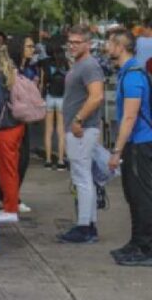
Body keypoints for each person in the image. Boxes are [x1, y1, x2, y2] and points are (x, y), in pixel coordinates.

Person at [106, 30, 152, 266]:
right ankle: (137, 242)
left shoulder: (133, 75)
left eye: (109, 42)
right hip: (135, 144)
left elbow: (130, 117)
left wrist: (116, 151)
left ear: (119, 46)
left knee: (143, 196)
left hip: (140, 145)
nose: (106, 47)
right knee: (133, 195)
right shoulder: (128, 72)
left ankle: (146, 248)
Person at [58, 24, 105, 244]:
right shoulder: (80, 65)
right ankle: (88, 224)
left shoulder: (88, 66)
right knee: (83, 176)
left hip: (81, 129)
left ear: (88, 43)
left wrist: (78, 120)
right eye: (70, 42)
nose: (72, 45)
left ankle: (84, 226)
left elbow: (96, 97)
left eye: (77, 42)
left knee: (82, 177)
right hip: (78, 129)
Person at [0, 44, 24, 223]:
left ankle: (10, 208)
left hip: (4, 128)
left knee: (6, 170)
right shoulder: (14, 73)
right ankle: (12, 203)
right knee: (12, 169)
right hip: (18, 124)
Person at [7, 35, 35, 213]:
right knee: (15, 161)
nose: (32, 50)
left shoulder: (28, 69)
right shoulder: (11, 70)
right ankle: (11, 198)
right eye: (29, 46)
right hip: (12, 120)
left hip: (24, 119)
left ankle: (12, 196)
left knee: (23, 159)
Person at [41, 37, 70, 170]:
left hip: (49, 97)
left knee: (48, 131)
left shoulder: (45, 63)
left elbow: (42, 82)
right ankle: (60, 161)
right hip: (62, 98)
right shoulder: (65, 63)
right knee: (61, 130)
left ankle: (47, 160)